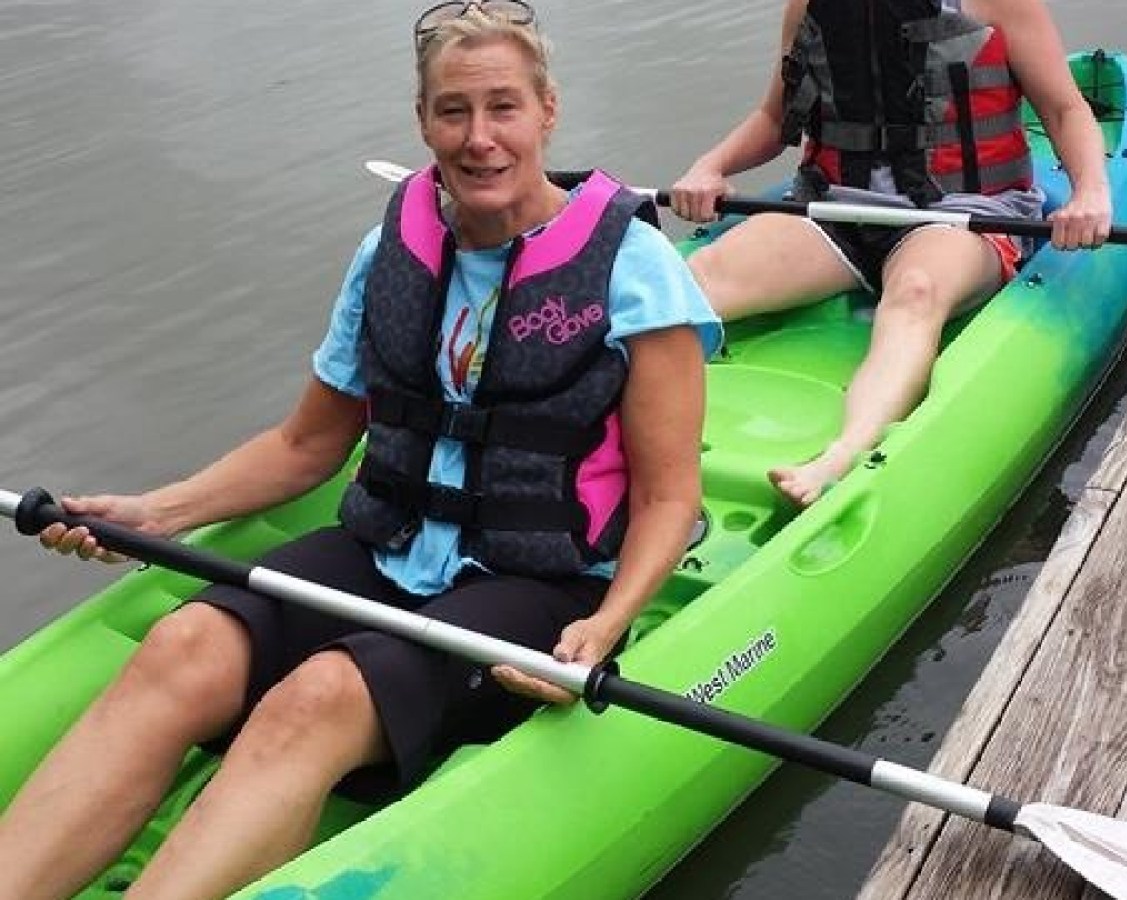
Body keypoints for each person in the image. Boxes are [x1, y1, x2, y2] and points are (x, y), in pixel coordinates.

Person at [0, 4, 721, 899]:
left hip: (542, 582)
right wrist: (159, 512)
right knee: (182, 645)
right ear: (423, 122)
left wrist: (606, 628)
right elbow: (307, 444)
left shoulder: (636, 269)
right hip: (385, 548)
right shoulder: (389, 254)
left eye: (503, 106)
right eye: (453, 111)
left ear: (547, 109)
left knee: (318, 697)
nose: (480, 137)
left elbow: (667, 499)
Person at [671, 0, 1112, 506]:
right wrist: (710, 166)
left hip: (963, 213)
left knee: (916, 291)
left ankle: (844, 453)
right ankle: (615, 404)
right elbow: (774, 120)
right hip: (836, 207)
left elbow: (1064, 110)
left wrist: (1090, 192)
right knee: (701, 275)